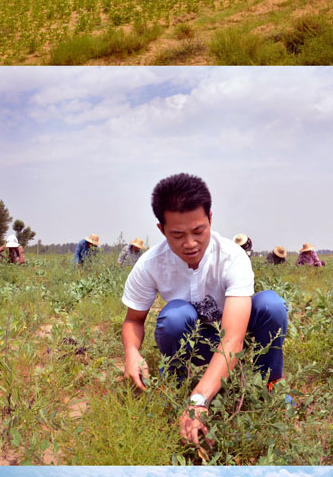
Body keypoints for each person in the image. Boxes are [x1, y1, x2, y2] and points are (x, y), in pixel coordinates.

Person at [121, 173, 288, 447]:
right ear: (161, 230)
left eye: (198, 231)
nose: (190, 243)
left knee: (271, 305)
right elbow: (133, 320)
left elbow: (233, 338)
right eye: (177, 234)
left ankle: (269, 387)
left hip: (234, 340)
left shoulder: (232, 258)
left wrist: (200, 399)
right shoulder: (150, 264)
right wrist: (131, 351)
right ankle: (176, 386)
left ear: (210, 218)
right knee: (174, 316)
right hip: (194, 342)